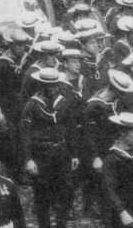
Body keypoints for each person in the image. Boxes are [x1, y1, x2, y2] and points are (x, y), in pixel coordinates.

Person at [20, 68, 84, 228]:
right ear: (42, 86)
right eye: (50, 86)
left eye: (56, 85)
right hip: (40, 155)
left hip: (61, 155)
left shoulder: (63, 102)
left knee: (63, 195)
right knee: (42, 197)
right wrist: (28, 159)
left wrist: (74, 153)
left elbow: (71, 129)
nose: (54, 89)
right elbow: (25, 134)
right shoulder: (32, 105)